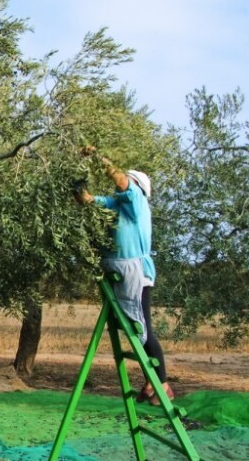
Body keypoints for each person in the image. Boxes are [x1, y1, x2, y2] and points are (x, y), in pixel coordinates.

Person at [73, 146, 173, 406]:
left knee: (143, 329)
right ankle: (154, 381)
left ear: (136, 187)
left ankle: (161, 383)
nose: (120, 188)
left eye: (127, 183)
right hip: (118, 272)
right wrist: (73, 174)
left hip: (134, 273)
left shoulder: (136, 201)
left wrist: (96, 155)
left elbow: (119, 179)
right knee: (130, 327)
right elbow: (87, 200)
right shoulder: (117, 205)